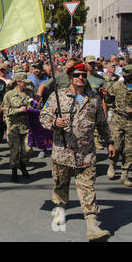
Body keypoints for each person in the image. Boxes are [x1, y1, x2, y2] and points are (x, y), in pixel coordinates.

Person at [39, 63, 115, 241]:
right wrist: (54, 123)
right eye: (77, 75)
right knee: (60, 185)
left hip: (86, 153)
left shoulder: (94, 98)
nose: (81, 78)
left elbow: (102, 123)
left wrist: (109, 142)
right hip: (62, 152)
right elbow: (43, 116)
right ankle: (59, 209)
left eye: (83, 75)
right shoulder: (57, 96)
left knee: (88, 188)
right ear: (70, 77)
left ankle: (92, 225)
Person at [1, 71, 35, 182]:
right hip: (13, 126)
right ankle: (14, 170)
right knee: (14, 150)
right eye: (24, 82)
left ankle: (23, 165)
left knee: (28, 149)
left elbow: (33, 104)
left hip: (27, 125)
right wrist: (17, 110)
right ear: (18, 82)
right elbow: (5, 109)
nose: (26, 84)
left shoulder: (29, 92)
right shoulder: (9, 95)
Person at [104, 64, 132, 186]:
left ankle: (125, 173)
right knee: (116, 145)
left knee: (129, 148)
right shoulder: (117, 85)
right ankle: (112, 164)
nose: (125, 78)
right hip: (118, 118)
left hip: (130, 121)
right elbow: (109, 100)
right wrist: (106, 95)